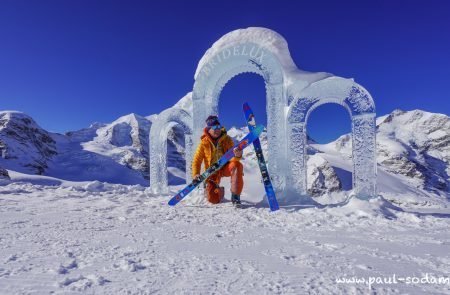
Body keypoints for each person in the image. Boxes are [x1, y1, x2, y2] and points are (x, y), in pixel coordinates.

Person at [192, 115, 244, 206]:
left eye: (219, 127)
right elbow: (197, 160)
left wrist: (237, 156)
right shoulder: (204, 143)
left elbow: (232, 156)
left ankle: (235, 196)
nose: (217, 129)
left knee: (237, 165)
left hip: (225, 167)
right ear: (209, 129)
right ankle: (220, 191)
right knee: (213, 199)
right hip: (212, 172)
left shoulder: (227, 139)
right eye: (214, 127)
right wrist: (196, 173)